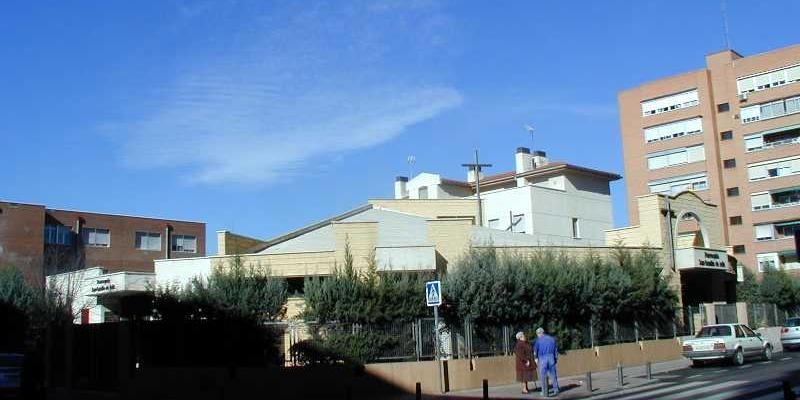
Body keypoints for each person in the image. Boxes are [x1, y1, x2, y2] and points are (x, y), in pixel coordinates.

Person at [533, 327, 559, 397]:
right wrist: (555, 358)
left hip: (542, 358)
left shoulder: (538, 341)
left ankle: (544, 391)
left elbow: (535, 351)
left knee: (543, 376)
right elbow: (555, 350)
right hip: (551, 357)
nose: (537, 335)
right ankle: (556, 389)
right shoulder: (551, 339)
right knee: (553, 375)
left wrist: (536, 358)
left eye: (537, 334)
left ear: (540, 333)